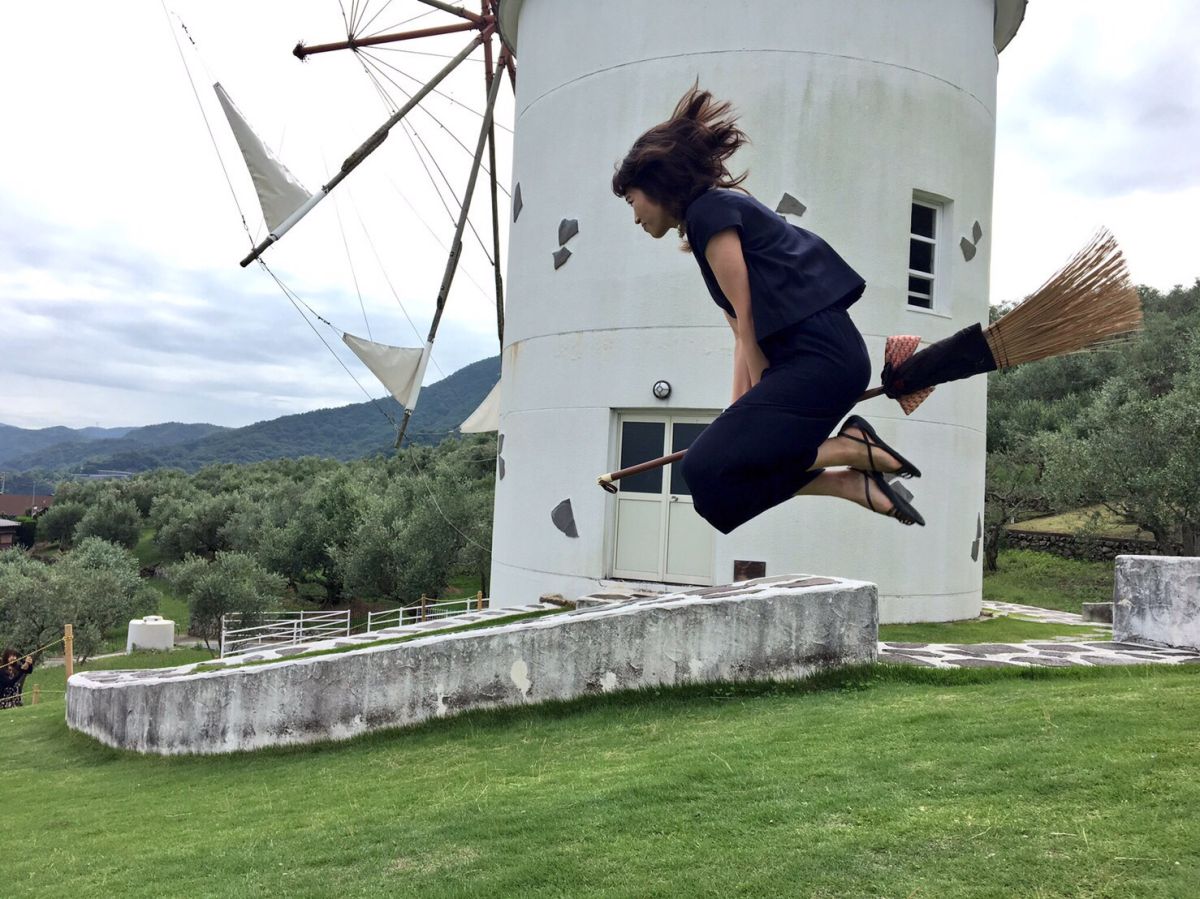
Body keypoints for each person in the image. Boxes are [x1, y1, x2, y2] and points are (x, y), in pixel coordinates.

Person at [612, 85, 925, 535]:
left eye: (631, 201)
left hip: (820, 359)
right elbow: (740, 332)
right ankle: (845, 483)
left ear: (654, 184)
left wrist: (753, 401)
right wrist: (740, 411)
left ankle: (847, 450)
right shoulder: (707, 221)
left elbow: (748, 315)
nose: (635, 215)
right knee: (714, 489)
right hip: (819, 363)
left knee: (705, 467)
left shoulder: (708, 212)